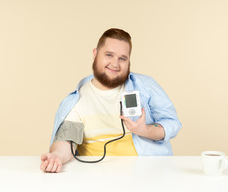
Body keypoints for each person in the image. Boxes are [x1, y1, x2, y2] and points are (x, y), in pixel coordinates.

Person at [40, 28, 182, 173]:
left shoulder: (146, 86)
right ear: (95, 54)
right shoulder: (77, 99)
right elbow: (66, 140)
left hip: (147, 174)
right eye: (109, 55)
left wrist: (145, 130)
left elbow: (172, 123)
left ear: (129, 61)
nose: (115, 64)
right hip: (95, 177)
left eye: (122, 58)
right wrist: (57, 156)